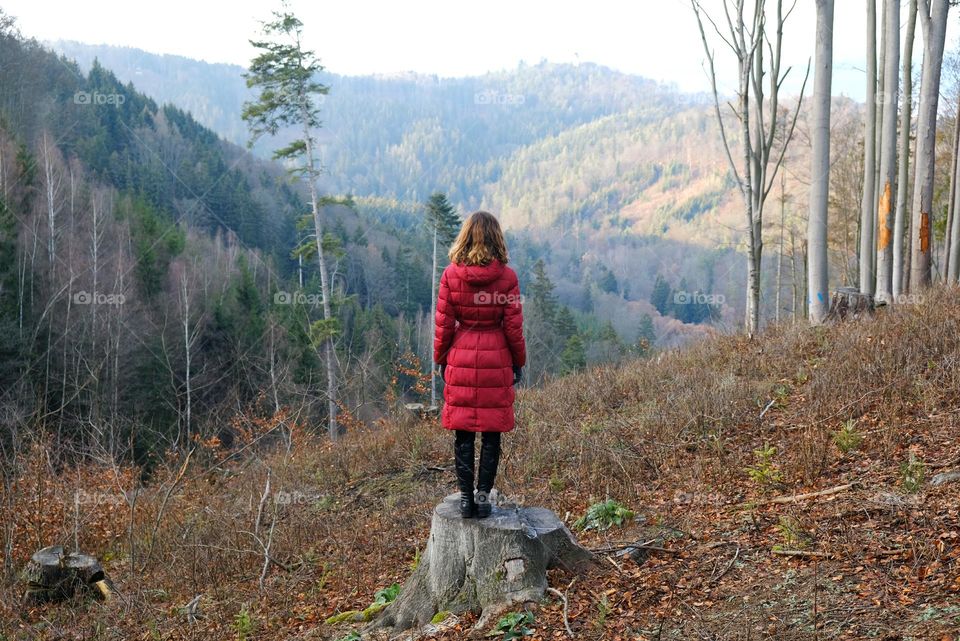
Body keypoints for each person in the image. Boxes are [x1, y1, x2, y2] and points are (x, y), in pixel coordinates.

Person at [434, 211, 526, 518]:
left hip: (460, 356)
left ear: (466, 236)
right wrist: (518, 361)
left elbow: (444, 325)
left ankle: (464, 500)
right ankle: (483, 498)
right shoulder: (508, 278)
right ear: (496, 237)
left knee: (462, 433)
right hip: (496, 357)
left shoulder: (450, 275)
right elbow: (513, 327)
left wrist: (440, 358)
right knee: (490, 432)